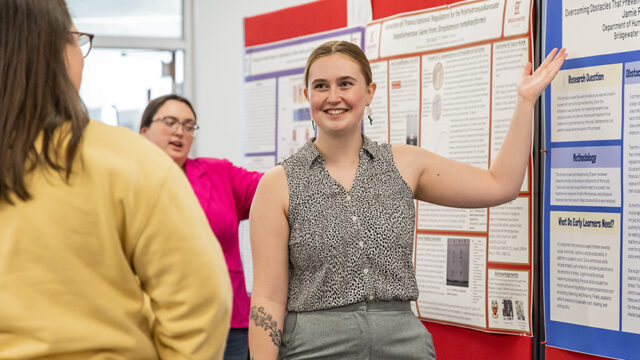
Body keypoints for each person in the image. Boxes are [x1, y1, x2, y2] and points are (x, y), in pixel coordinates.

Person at [248, 40, 567, 359]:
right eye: (321, 86)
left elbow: (501, 184)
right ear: (307, 96)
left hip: (401, 346)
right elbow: (268, 300)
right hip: (313, 348)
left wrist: (525, 102)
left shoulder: (404, 164)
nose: (334, 97)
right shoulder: (278, 185)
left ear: (369, 92)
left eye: (346, 84)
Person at [0, 1, 231, 359]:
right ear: (56, 51)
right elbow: (202, 302)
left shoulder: (203, 169)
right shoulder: (126, 159)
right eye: (76, 39)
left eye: (187, 125)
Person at [140, 94, 263, 360]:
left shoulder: (219, 173)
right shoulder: (126, 181)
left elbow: (270, 189)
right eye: (170, 122)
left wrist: (319, 153)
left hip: (227, 322)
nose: (179, 132)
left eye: (188, 125)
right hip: (155, 318)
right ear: (144, 130)